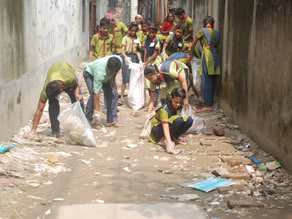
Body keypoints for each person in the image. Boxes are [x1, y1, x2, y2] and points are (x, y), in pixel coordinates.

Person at [28, 62, 83, 138]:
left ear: (61, 90)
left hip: (66, 70)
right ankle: (55, 132)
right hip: (55, 72)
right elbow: (39, 110)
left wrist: (77, 94)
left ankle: (81, 127)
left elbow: (76, 84)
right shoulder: (46, 90)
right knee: (53, 105)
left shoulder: (69, 79)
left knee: (78, 102)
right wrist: (33, 130)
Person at [190, 16, 220, 112]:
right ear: (212, 24)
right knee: (213, 80)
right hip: (215, 56)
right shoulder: (217, 33)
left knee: (206, 80)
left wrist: (191, 56)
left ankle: (207, 105)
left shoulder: (202, 31)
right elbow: (217, 49)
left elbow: (193, 44)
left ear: (204, 23)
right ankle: (210, 102)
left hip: (207, 56)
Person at [149, 88, 193, 154]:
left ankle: (173, 138)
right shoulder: (164, 110)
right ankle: (163, 139)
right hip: (157, 130)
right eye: (176, 102)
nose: (178, 104)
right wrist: (169, 143)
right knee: (178, 120)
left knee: (189, 120)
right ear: (171, 98)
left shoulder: (179, 108)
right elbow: (165, 127)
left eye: (180, 103)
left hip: (168, 126)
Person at [83, 55, 122, 127]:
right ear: (107, 66)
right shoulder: (100, 73)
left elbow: (115, 73)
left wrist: (113, 81)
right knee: (92, 95)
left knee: (113, 94)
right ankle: (87, 120)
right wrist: (97, 111)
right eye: (110, 72)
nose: (112, 73)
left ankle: (111, 120)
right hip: (89, 73)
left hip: (106, 77)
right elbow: (96, 93)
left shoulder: (119, 61)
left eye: (114, 72)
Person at [120, 22, 142, 104]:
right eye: (131, 31)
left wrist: (140, 60)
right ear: (129, 30)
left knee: (133, 78)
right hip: (127, 57)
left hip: (134, 58)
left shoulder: (137, 39)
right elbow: (122, 50)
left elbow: (138, 51)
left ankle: (131, 96)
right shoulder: (125, 38)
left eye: (134, 31)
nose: (133, 32)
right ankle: (122, 96)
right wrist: (125, 57)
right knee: (125, 78)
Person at [144, 24, 163, 109]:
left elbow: (155, 54)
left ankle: (155, 103)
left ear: (155, 33)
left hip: (156, 60)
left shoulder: (157, 40)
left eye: (153, 33)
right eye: (150, 32)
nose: (151, 34)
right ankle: (152, 101)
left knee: (156, 79)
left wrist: (147, 61)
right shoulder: (146, 40)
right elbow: (145, 51)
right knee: (148, 81)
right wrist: (145, 62)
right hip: (149, 59)